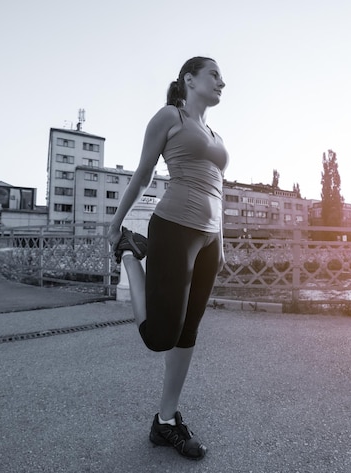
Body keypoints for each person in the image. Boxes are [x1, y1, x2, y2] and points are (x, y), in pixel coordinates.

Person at [107, 56, 228, 460]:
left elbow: (218, 190)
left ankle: (165, 421)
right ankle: (130, 252)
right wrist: (116, 223)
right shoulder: (169, 116)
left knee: (187, 332)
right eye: (214, 74)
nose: (222, 82)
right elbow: (143, 174)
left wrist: (221, 243)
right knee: (159, 336)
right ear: (189, 79)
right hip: (173, 227)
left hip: (208, 240)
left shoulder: (214, 132)